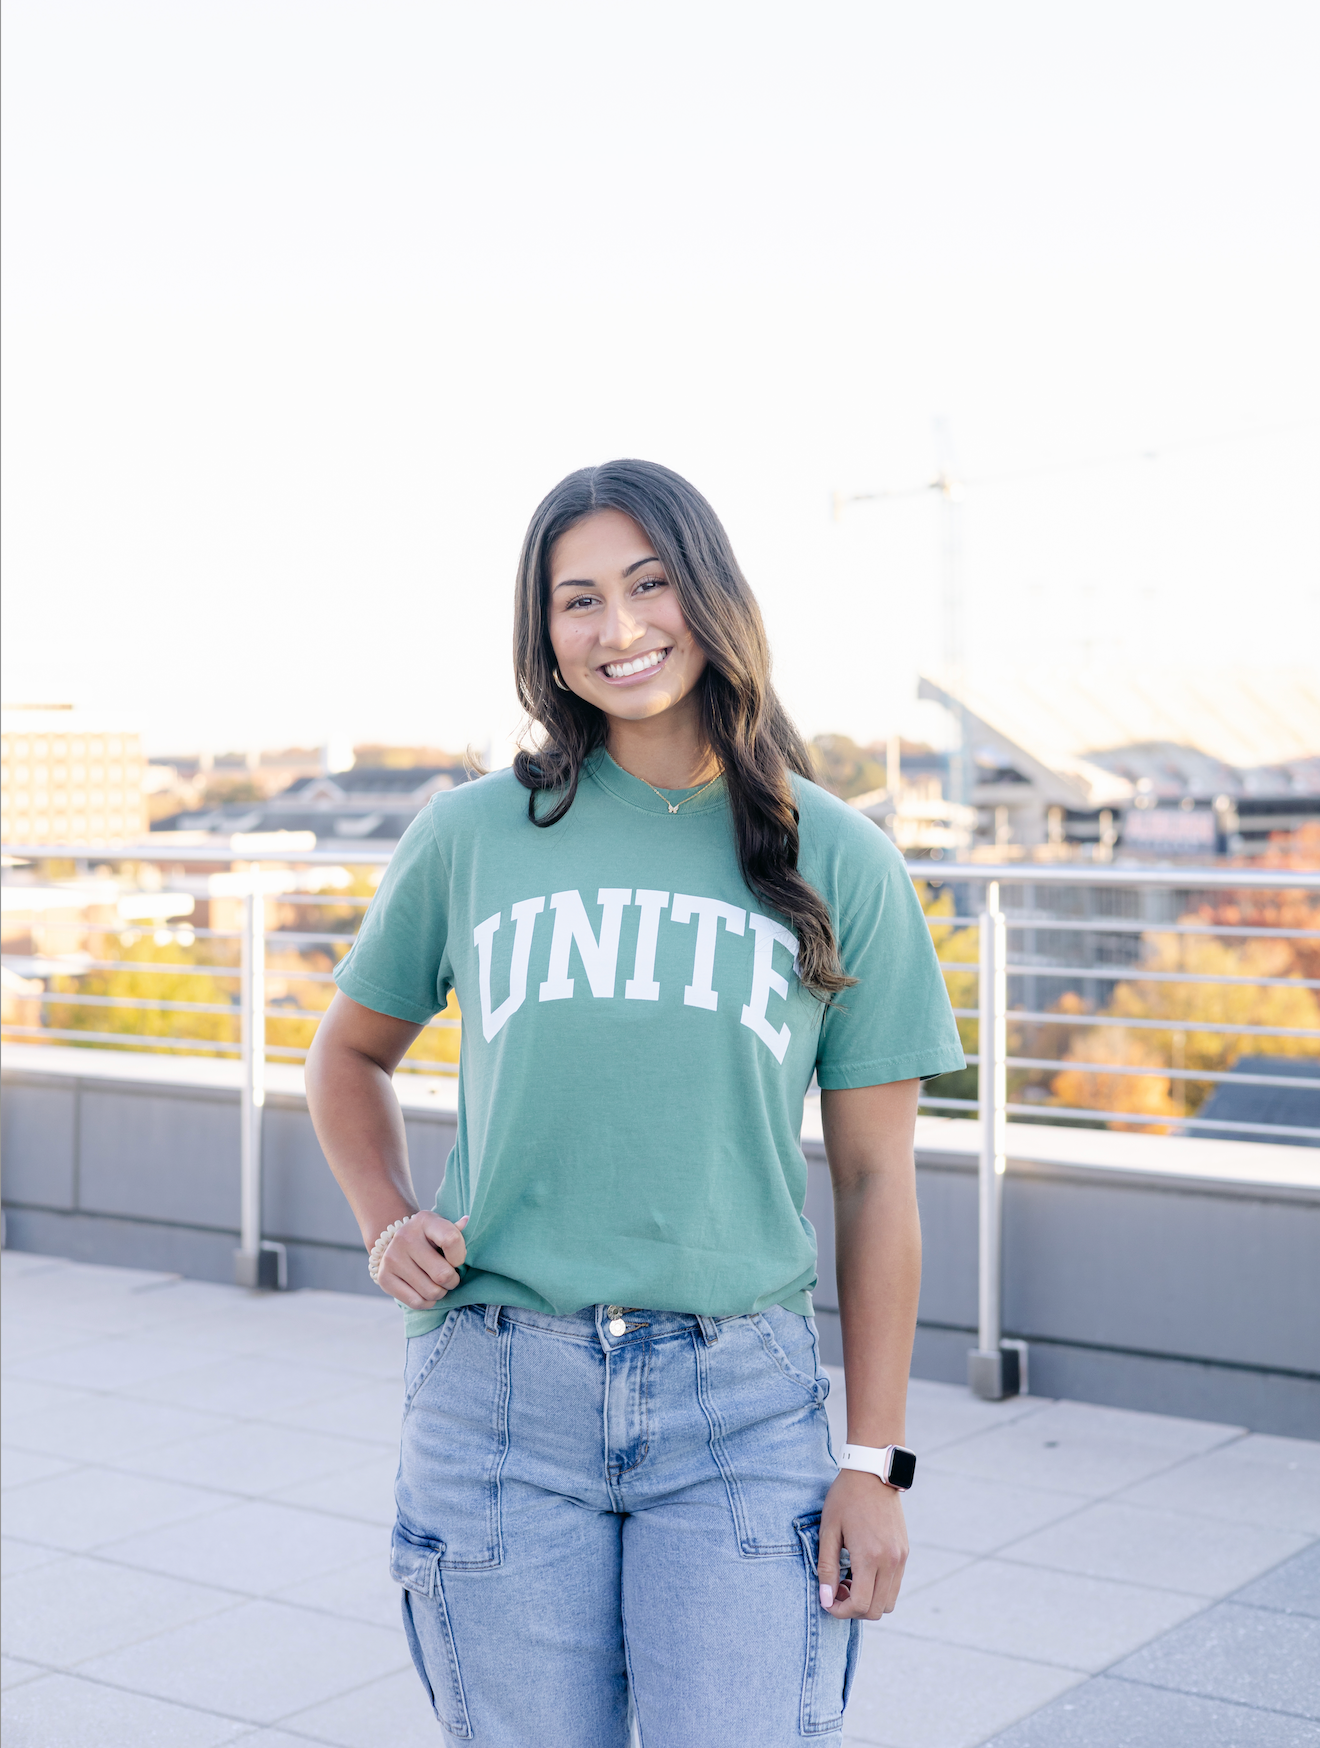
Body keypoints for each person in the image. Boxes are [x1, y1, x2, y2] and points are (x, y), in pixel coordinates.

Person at [305, 459, 964, 1748]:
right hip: (498, 1398)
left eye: (650, 586)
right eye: (579, 599)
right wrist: (386, 1218)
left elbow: (878, 1183)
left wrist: (874, 1464)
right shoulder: (474, 834)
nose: (619, 630)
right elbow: (346, 1056)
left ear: (710, 597)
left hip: (743, 1412)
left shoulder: (840, 856)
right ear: (542, 633)